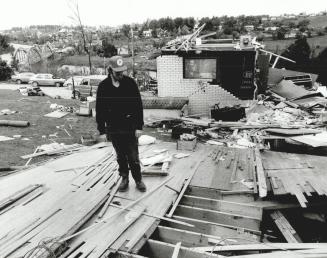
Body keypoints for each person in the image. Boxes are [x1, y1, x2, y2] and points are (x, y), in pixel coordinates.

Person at [96, 55, 146, 192]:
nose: (121, 75)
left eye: (122, 71)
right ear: (110, 70)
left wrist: (139, 126)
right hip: (113, 128)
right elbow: (99, 110)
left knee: (133, 156)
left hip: (129, 126)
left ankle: (138, 179)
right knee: (120, 156)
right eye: (118, 72)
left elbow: (138, 106)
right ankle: (124, 178)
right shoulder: (103, 87)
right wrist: (102, 130)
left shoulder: (130, 83)